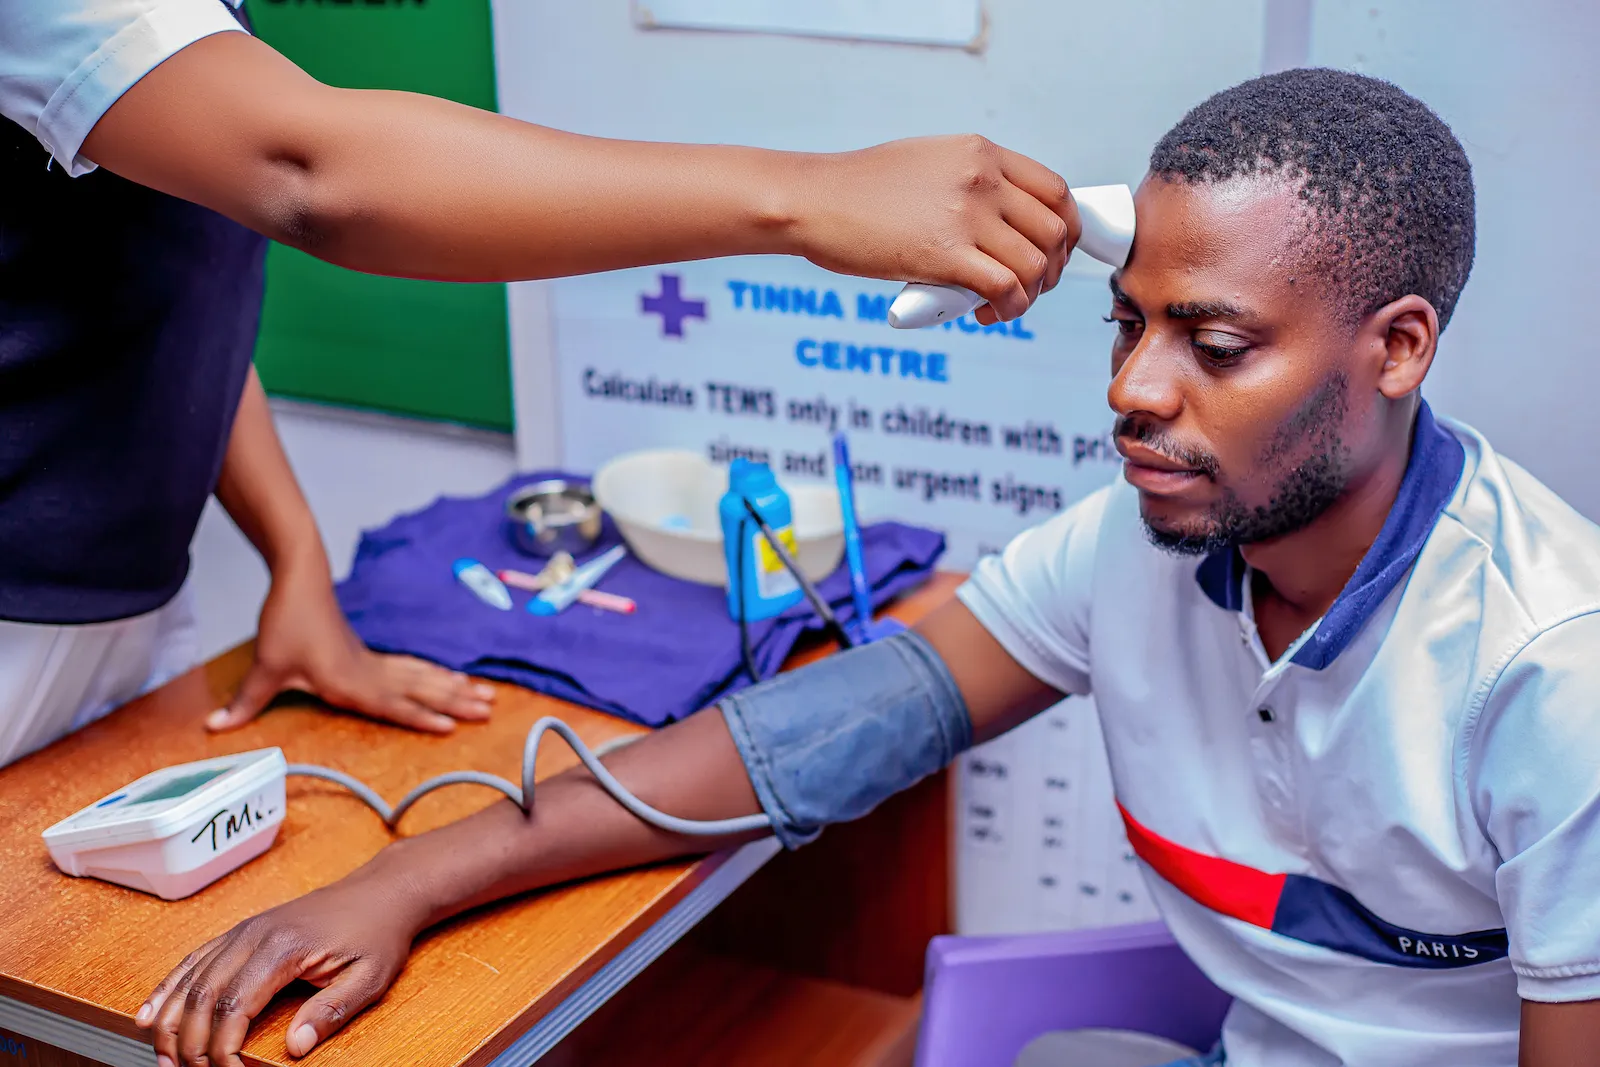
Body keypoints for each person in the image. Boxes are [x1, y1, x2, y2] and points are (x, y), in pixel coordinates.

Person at [137, 67, 1600, 1067]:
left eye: (1213, 346)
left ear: (1397, 347)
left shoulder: (1549, 667)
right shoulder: (1134, 547)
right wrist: (412, 875)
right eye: (1125, 324)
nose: (1135, 393)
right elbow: (842, 725)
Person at [0, 1, 1079, 766]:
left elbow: (143, 283)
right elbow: (306, 174)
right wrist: (803, 196)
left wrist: (296, 556)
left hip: (124, 590)